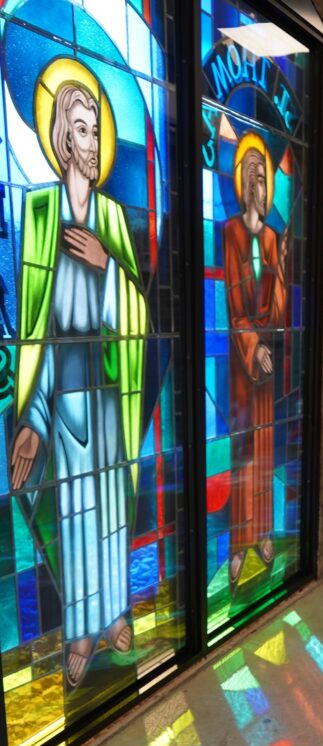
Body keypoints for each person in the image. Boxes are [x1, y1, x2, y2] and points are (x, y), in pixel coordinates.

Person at [11, 65, 146, 688]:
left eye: (98, 132)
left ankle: (116, 612)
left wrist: (108, 266)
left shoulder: (114, 220)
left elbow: (138, 315)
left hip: (109, 392)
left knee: (113, 509)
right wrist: (32, 421)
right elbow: (36, 330)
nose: (92, 144)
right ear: (63, 137)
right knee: (78, 513)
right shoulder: (39, 212)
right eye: (83, 130)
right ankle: (84, 629)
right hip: (61, 397)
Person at [223, 132, 288, 584]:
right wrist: (254, 346)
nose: (257, 184)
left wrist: (281, 264)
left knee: (265, 450)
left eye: (263, 178)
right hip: (242, 363)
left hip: (267, 365)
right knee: (242, 450)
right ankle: (238, 541)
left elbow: (280, 311)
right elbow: (231, 303)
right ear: (240, 183)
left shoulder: (273, 238)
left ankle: (263, 531)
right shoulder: (227, 233)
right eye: (251, 176)